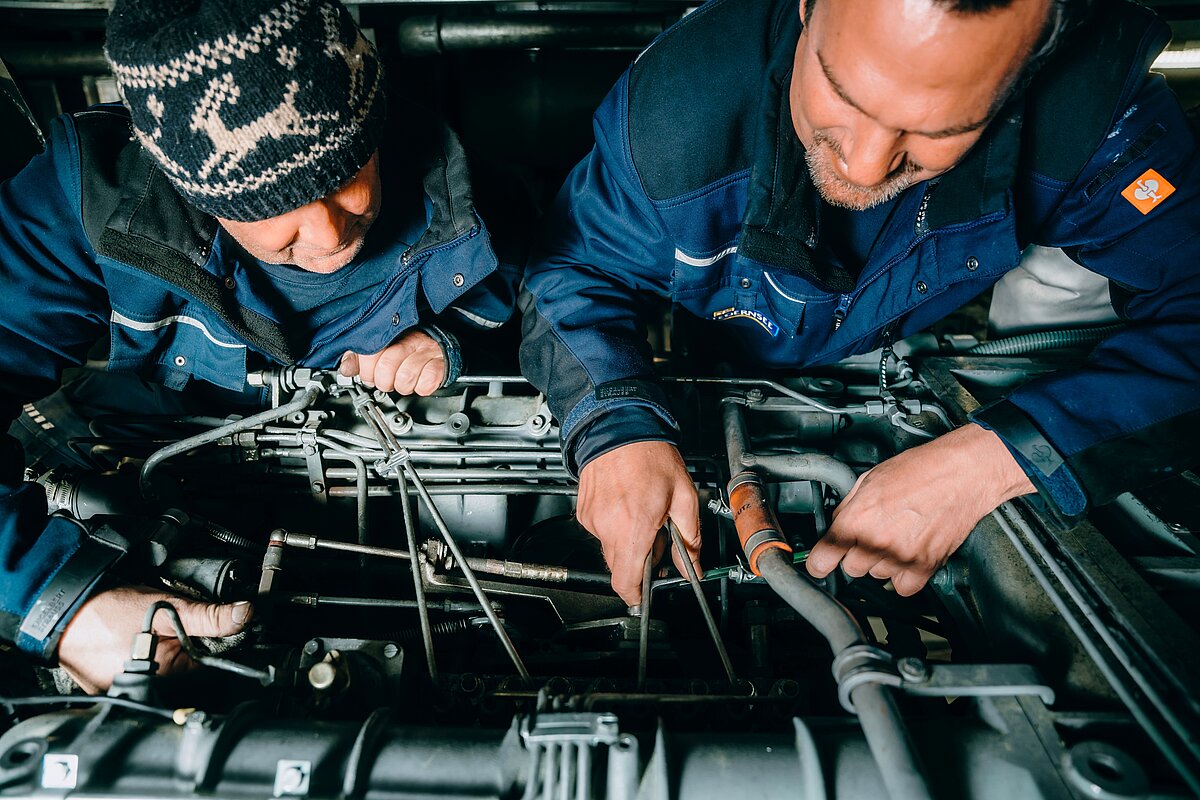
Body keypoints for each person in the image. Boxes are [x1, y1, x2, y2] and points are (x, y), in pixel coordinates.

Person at [520, 0, 1200, 605]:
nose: (866, 166)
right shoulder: (675, 113)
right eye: (843, 94)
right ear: (807, 8)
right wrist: (617, 424)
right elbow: (574, 266)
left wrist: (993, 459)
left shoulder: (1096, 118)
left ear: (1027, 77)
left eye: (937, 129)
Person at [0, 0, 519, 693]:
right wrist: (59, 606)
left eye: (345, 172)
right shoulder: (83, 201)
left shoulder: (461, 180)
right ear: (189, 188)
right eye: (271, 208)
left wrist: (452, 335)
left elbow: (541, 281)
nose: (330, 234)